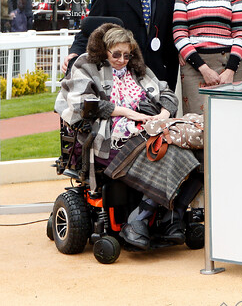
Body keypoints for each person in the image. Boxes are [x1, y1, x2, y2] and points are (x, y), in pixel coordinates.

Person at [54, 23, 199, 249]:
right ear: (105, 50)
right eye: (116, 54)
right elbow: (83, 104)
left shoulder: (137, 69)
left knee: (197, 159)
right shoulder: (85, 65)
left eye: (127, 54)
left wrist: (162, 113)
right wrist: (128, 113)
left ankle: (173, 216)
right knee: (165, 153)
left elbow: (167, 93)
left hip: (148, 129)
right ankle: (139, 220)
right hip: (107, 135)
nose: (122, 59)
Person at [173, 0, 242, 115]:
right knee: (198, 123)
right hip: (195, 67)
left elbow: (240, 33)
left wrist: (230, 70)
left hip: (230, 64)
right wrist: (203, 68)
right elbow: (179, 34)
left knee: (234, 117)